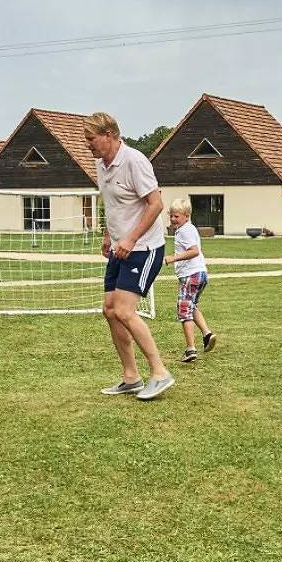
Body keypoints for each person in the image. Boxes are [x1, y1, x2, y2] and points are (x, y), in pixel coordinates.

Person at [85, 111, 172, 400]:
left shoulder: (134, 160)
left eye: (91, 138)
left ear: (109, 135)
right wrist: (110, 235)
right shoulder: (101, 164)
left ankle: (159, 373)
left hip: (144, 247)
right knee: (109, 310)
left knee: (124, 310)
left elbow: (156, 204)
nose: (88, 145)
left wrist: (131, 238)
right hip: (120, 248)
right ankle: (131, 377)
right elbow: (112, 205)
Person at [162, 199, 217, 363]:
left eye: (176, 216)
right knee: (192, 306)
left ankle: (190, 349)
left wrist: (173, 258)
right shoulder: (187, 229)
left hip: (191, 275)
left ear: (186, 216)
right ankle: (207, 334)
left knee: (184, 310)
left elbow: (194, 251)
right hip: (200, 274)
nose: (172, 219)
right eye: (171, 216)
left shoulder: (185, 230)